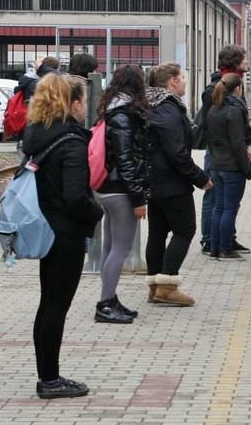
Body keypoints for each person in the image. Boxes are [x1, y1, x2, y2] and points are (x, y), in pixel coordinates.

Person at [23, 73, 103, 399]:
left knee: (48, 305)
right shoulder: (71, 141)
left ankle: (47, 374)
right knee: (56, 307)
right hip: (66, 234)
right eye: (82, 100)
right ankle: (50, 380)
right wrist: (96, 214)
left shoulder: (37, 135)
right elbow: (74, 196)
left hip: (44, 229)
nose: (85, 106)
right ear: (72, 103)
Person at [145, 62, 211, 306]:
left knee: (157, 234)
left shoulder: (151, 107)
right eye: (182, 77)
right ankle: (167, 286)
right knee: (184, 231)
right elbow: (177, 154)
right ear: (172, 81)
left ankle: (154, 286)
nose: (185, 81)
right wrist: (200, 177)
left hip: (153, 181)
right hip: (172, 183)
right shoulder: (170, 111)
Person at [93, 65, 148, 324]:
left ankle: (109, 298)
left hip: (105, 187)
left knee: (109, 246)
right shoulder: (125, 116)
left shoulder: (109, 110)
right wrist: (138, 198)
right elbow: (126, 159)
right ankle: (105, 304)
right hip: (120, 191)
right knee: (121, 248)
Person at [194, 44, 251, 256]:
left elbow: (242, 120)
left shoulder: (236, 84)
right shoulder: (215, 88)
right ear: (236, 62)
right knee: (214, 195)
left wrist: (247, 143)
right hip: (218, 151)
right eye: (244, 59)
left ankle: (226, 238)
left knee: (226, 200)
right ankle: (210, 240)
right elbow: (212, 124)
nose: (247, 63)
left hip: (228, 150)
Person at [206, 73, 251, 261]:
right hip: (232, 167)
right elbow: (237, 143)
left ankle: (215, 248)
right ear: (238, 89)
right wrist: (247, 169)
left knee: (218, 207)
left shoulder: (214, 110)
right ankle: (226, 248)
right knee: (230, 208)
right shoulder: (234, 111)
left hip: (217, 165)